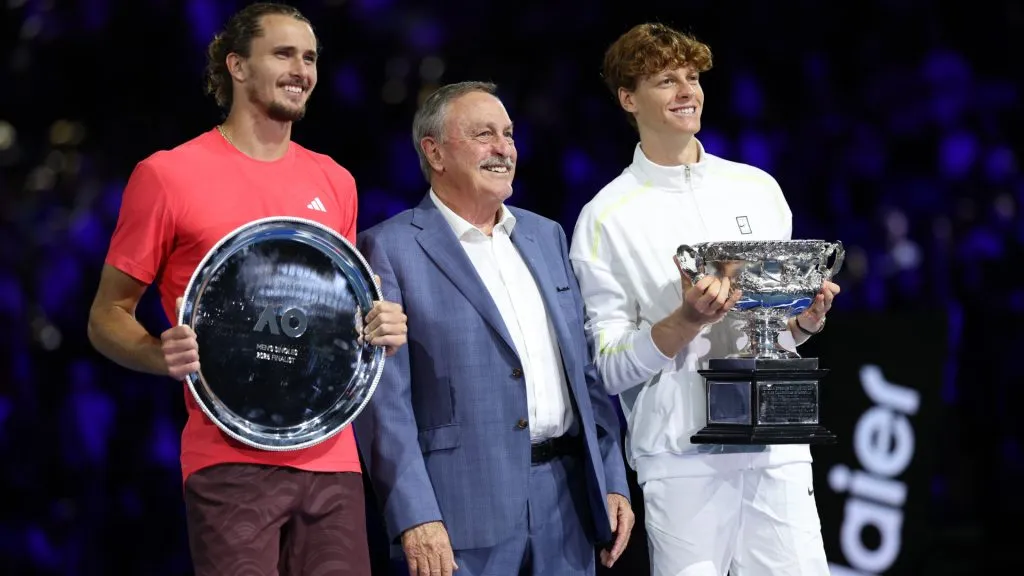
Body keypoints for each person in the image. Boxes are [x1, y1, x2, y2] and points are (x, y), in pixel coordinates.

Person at [86, 3, 408, 574]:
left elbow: (339, 313)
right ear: (236, 66)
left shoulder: (335, 181)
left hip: (331, 459)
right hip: (227, 458)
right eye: (283, 54)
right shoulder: (168, 175)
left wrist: (378, 324)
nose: (301, 70)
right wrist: (156, 353)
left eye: (309, 57)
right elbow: (107, 313)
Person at [568, 23, 842, 576]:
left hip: (777, 446)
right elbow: (608, 369)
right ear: (628, 98)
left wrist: (802, 323)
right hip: (680, 455)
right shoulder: (604, 218)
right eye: (665, 80)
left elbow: (770, 329)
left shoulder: (757, 189)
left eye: (692, 77)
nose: (686, 91)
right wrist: (685, 320)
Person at [354, 81, 635, 576]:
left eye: (508, 134)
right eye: (483, 134)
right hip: (459, 512)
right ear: (435, 152)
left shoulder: (546, 235)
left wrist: (611, 478)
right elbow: (384, 406)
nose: (503, 148)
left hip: (567, 504)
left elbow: (584, 374)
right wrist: (415, 515)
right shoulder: (388, 248)